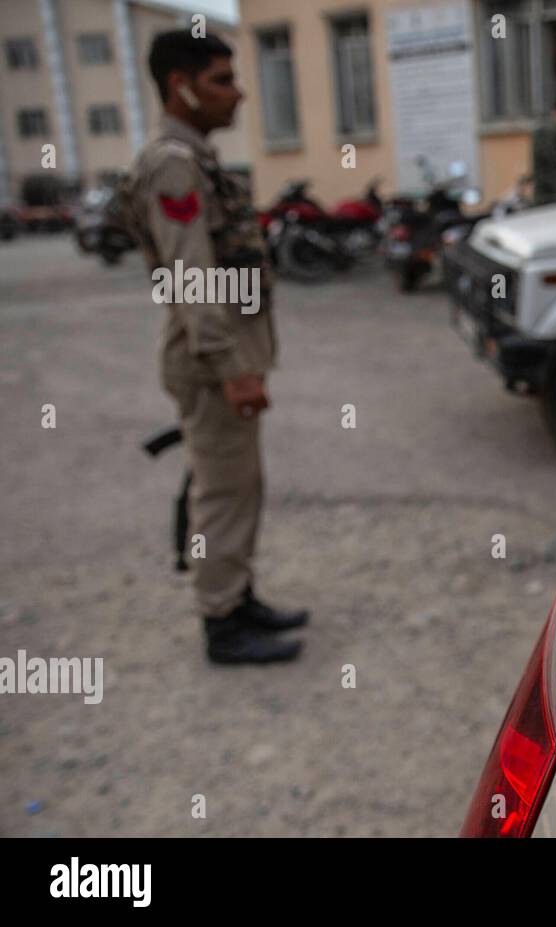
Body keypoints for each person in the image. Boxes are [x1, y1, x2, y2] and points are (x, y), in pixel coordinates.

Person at [126, 30, 306, 664]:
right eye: (222, 80)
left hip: (224, 356)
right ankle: (222, 623)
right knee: (223, 490)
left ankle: (237, 594)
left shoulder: (195, 157)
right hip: (211, 362)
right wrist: (234, 368)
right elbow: (189, 277)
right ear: (181, 86)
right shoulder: (173, 161)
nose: (239, 93)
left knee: (237, 484)